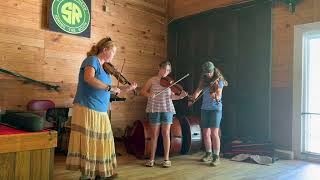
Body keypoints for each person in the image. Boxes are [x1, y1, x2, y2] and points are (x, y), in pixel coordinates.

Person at [66, 36, 137, 180]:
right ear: (105, 50)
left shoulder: (106, 70)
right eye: (113, 52)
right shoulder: (92, 60)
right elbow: (89, 78)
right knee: (89, 141)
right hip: (87, 107)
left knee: (103, 140)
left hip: (100, 109)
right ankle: (85, 175)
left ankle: (101, 172)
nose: (114, 56)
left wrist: (127, 89)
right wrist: (110, 87)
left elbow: (112, 91)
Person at [140, 61, 188, 168]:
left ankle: (166, 159)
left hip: (167, 109)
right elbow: (142, 91)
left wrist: (180, 96)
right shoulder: (152, 80)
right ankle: (151, 159)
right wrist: (149, 94)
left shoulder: (170, 83)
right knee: (154, 135)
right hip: (154, 109)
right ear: (159, 68)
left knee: (166, 133)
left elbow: (172, 97)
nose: (165, 72)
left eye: (168, 70)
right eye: (164, 69)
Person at [188, 61, 227, 167]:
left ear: (213, 70)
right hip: (205, 109)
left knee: (214, 133)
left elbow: (219, 95)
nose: (208, 74)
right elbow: (197, 92)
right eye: (206, 73)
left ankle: (216, 156)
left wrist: (215, 96)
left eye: (210, 72)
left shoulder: (219, 81)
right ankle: (208, 153)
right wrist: (192, 99)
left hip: (216, 109)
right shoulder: (204, 80)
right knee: (205, 133)